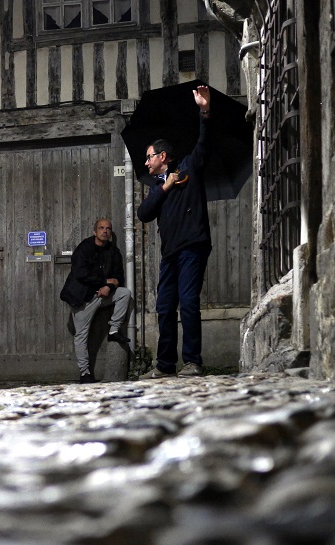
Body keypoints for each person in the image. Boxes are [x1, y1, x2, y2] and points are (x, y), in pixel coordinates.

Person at [137, 84, 212, 379]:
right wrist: (165, 187)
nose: (146, 162)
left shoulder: (189, 169)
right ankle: (165, 365)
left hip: (193, 246)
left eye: (149, 157)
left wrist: (204, 111)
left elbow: (203, 144)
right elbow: (144, 213)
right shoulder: (158, 188)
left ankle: (193, 361)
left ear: (163, 156)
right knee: (165, 307)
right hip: (170, 253)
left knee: (189, 301)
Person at [60, 218, 132, 383]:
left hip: (102, 295)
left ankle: (113, 331)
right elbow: (80, 273)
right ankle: (85, 374)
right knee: (81, 335)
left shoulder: (114, 252)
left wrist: (110, 287)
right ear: (95, 231)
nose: (105, 231)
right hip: (83, 298)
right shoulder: (85, 248)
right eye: (101, 228)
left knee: (124, 293)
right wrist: (105, 282)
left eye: (108, 228)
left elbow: (118, 277)